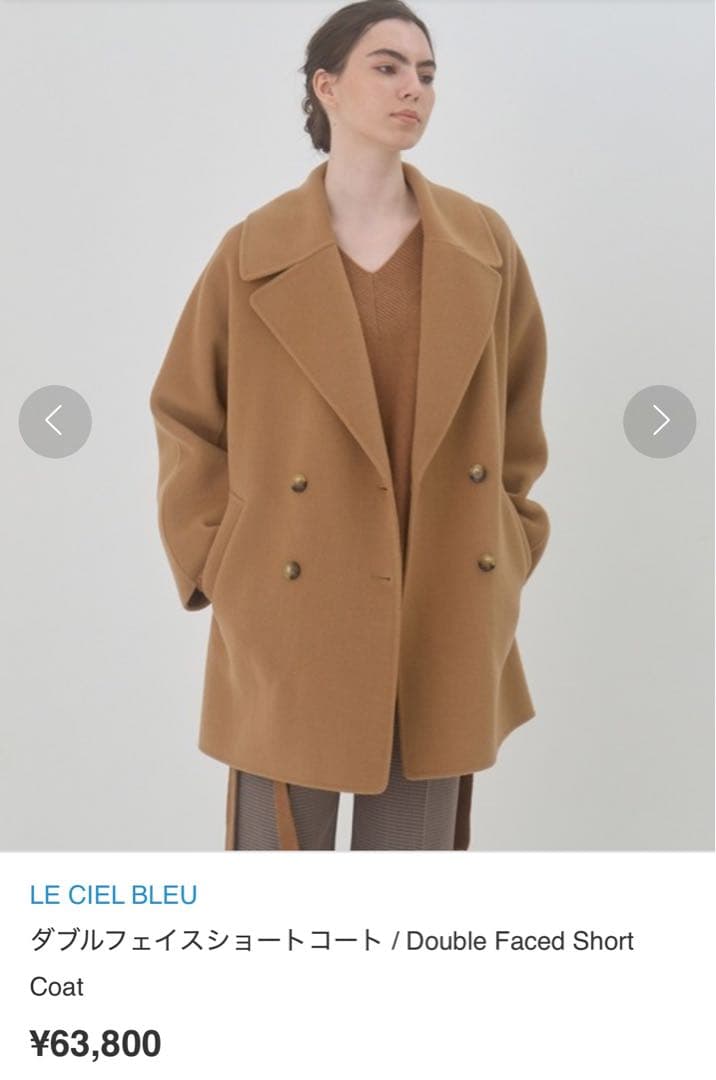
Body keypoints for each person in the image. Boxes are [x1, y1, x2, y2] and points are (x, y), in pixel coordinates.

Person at [149, 0, 550, 851]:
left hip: (441, 601)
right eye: (388, 66)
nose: (414, 88)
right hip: (291, 604)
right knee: (275, 877)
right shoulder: (253, 250)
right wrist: (225, 560)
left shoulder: (483, 245)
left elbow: (520, 416)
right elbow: (185, 415)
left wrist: (509, 538)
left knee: (406, 891)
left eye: (427, 73)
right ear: (326, 87)